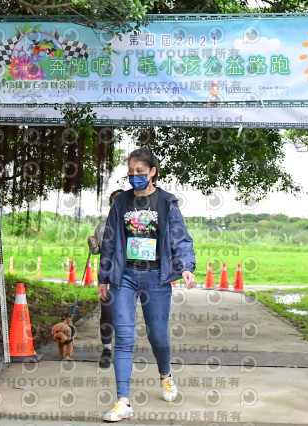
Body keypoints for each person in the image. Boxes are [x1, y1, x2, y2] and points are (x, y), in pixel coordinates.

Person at [97, 148, 196, 422]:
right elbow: (109, 241)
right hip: (125, 277)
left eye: (140, 172)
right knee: (124, 338)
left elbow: (180, 237)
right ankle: (123, 402)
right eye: (130, 172)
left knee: (158, 337)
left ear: (152, 172)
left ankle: (166, 375)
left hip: (156, 277)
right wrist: (104, 277)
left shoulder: (166, 202)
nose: (134, 177)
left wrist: (186, 267)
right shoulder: (121, 202)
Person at [88, 189, 124, 368]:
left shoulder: (135, 224)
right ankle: (107, 349)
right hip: (107, 275)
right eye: (115, 201)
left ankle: (123, 350)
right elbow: (97, 250)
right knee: (107, 312)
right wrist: (92, 243)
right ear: (110, 204)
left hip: (128, 276)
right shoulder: (102, 227)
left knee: (124, 314)